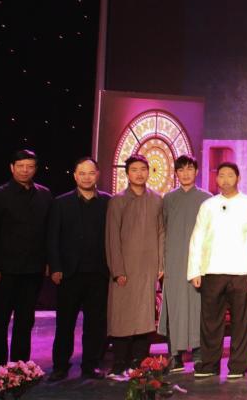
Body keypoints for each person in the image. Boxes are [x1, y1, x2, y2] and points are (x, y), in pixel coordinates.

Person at [188, 162, 247, 380]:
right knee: (210, 321)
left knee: (241, 321)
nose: (226, 179)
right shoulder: (208, 205)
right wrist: (195, 270)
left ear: (238, 178)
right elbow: (197, 237)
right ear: (216, 179)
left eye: (230, 175)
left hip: (241, 272)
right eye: (221, 175)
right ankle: (209, 364)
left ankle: (238, 366)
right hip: (212, 270)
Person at [0, 149, 53, 369]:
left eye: (30, 166)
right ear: (12, 168)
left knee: (25, 321)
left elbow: (49, 232)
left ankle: (20, 368)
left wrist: (48, 263)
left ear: (35, 169)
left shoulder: (44, 195)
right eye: (21, 166)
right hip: (5, 270)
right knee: (0, 321)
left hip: (33, 270)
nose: (25, 170)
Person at [47, 158, 111, 381]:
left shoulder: (108, 202)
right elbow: (52, 238)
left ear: (97, 175)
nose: (86, 177)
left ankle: (90, 365)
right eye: (82, 173)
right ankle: (60, 366)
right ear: (75, 176)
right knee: (65, 323)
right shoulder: (61, 203)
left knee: (95, 324)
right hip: (69, 273)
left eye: (90, 173)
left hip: (99, 273)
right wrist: (55, 267)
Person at [105, 154, 164, 376]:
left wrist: (160, 264)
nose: (139, 174)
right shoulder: (118, 200)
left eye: (143, 169)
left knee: (145, 316)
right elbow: (112, 238)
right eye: (134, 170)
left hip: (148, 268)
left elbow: (161, 233)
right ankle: (119, 363)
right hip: (125, 269)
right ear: (127, 174)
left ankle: (140, 363)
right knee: (122, 317)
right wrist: (117, 270)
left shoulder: (157, 199)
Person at [158, 155, 211, 372]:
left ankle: (198, 354)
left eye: (190, 169)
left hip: (198, 264)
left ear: (197, 171)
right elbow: (162, 231)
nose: (186, 173)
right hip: (174, 261)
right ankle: (175, 355)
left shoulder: (207, 199)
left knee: (198, 307)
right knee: (175, 306)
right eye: (181, 170)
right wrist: (162, 263)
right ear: (176, 173)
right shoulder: (168, 199)